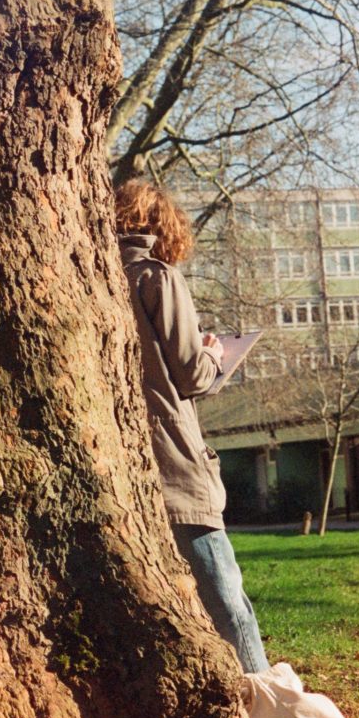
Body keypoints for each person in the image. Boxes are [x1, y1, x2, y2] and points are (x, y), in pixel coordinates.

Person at [114, 180, 270, 675]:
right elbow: (194, 376)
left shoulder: (98, 276)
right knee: (228, 602)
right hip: (174, 466)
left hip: (124, 467)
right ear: (163, 228)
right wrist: (215, 353)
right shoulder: (156, 277)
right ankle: (269, 709)